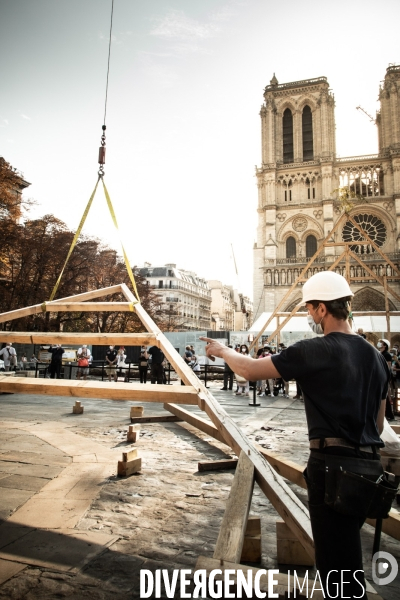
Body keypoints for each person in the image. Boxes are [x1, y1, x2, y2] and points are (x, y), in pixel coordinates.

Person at [200, 271, 388, 600]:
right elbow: (379, 420)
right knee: (347, 558)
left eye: (309, 309)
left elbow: (248, 370)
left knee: (338, 572)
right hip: (368, 472)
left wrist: (223, 351)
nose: (308, 316)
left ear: (321, 310)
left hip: (332, 468)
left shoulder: (315, 349)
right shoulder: (376, 357)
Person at [377, 338, 395, 420]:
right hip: (379, 375)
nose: (380, 344)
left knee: (385, 395)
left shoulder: (387, 355)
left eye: (381, 343)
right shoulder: (380, 353)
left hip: (384, 376)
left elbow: (388, 367)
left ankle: (389, 414)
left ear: (385, 345)